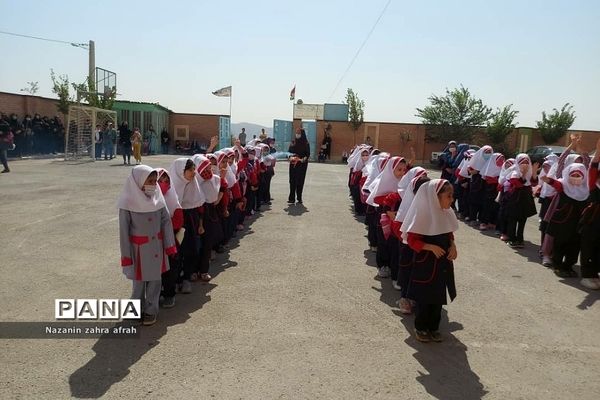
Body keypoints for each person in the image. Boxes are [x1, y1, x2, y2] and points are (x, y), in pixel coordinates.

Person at [117, 165, 177, 326]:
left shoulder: (158, 199)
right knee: (138, 282)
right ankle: (136, 308)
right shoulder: (127, 202)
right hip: (138, 249)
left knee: (155, 281)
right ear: (138, 182)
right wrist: (126, 255)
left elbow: (166, 222)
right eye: (149, 181)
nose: (152, 184)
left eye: (154, 180)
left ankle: (151, 310)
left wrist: (169, 244)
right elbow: (124, 232)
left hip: (156, 247)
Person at [401, 179, 459, 343]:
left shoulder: (446, 214)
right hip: (425, 266)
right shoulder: (422, 215)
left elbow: (449, 234)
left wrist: (453, 246)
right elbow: (411, 240)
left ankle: (434, 328)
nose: (451, 199)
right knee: (425, 299)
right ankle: (421, 327)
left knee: (438, 299)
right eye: (448, 196)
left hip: (442, 264)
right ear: (436, 197)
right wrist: (429, 247)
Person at [540, 163, 589, 278]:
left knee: (574, 245)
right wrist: (548, 180)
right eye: (573, 175)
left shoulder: (585, 189)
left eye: (578, 175)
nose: (576, 177)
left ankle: (568, 266)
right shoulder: (563, 184)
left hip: (577, 223)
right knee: (560, 243)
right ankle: (557, 265)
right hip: (562, 221)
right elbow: (555, 183)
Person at [169, 158, 205, 294]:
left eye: (194, 169)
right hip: (176, 222)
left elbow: (199, 206)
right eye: (190, 170)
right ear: (180, 171)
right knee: (177, 252)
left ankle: (186, 279)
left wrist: (200, 223)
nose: (193, 173)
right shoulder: (171, 186)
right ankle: (175, 280)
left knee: (192, 249)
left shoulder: (193, 184)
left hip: (190, 220)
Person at [156, 168, 184, 308]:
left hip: (169, 240)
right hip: (153, 241)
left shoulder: (173, 198)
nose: (164, 184)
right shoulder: (148, 199)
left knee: (170, 268)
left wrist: (164, 226)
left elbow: (178, 221)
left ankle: (169, 294)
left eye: (167, 181)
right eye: (160, 181)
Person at [579, 138, 600, 289]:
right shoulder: (595, 185)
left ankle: (595, 273)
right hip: (593, 220)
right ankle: (588, 274)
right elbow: (593, 167)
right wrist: (598, 150)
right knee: (589, 246)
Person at [504, 154, 539, 248]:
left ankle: (520, 239)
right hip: (515, 199)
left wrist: (534, 172)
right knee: (513, 219)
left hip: (525, 199)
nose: (525, 165)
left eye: (527, 162)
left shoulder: (530, 173)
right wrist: (523, 173)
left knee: (522, 220)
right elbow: (518, 184)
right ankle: (512, 239)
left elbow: (534, 183)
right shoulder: (514, 173)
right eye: (522, 162)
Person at [288, 128, 310, 204]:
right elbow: (289, 152)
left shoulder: (306, 143)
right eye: (296, 133)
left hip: (302, 165)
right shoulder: (293, 142)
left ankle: (299, 197)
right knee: (292, 181)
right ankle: (291, 198)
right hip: (293, 164)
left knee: (300, 181)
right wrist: (290, 157)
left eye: (298, 133)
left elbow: (307, 155)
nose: (297, 134)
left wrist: (302, 160)